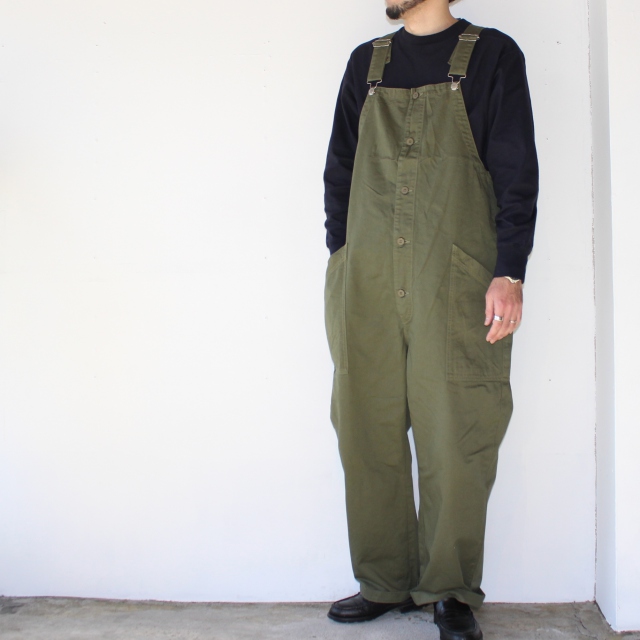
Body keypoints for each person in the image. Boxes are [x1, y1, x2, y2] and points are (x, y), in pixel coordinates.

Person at [322, 0, 538, 638]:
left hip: (455, 276)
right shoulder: (366, 64)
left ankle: (448, 589)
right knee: (366, 426)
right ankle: (384, 581)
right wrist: (343, 254)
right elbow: (340, 167)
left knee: (457, 429)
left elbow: (515, 167)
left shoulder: (494, 55)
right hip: (365, 275)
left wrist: (510, 271)